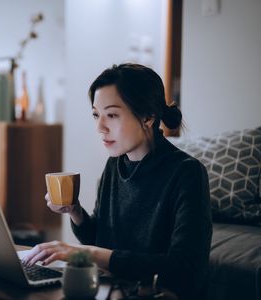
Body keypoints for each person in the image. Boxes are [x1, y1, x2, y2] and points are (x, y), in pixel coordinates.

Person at [23, 63, 212, 300]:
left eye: (111, 115)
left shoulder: (187, 173)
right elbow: (101, 240)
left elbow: (186, 271)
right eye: (96, 115)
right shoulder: (115, 164)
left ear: (148, 117)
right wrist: (75, 211)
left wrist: (86, 253)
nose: (100, 127)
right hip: (113, 289)